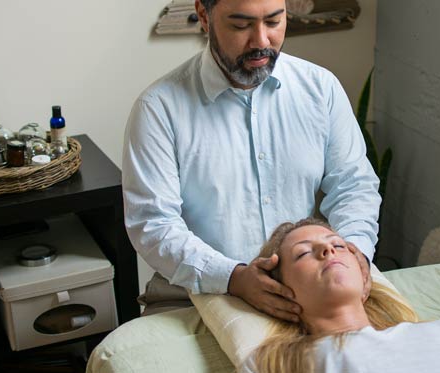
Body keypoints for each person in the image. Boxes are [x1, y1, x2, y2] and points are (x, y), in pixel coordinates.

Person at [122, 0, 381, 321]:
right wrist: (233, 277)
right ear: (204, 16)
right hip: (193, 293)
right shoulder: (158, 108)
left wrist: (355, 254)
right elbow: (153, 225)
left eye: (274, 22)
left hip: (306, 286)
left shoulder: (320, 88)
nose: (261, 41)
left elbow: (354, 187)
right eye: (241, 25)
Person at [242, 218, 440, 373]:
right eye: (304, 253)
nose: (328, 251)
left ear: (364, 275)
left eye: (338, 245)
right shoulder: (278, 364)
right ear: (278, 291)